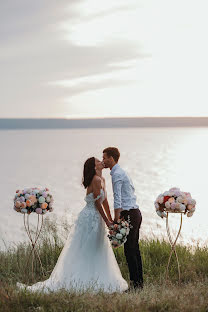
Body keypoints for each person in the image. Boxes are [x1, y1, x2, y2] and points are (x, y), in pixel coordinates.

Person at [17, 157, 128, 293]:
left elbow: (104, 201)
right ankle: (81, 279)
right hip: (90, 217)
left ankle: (96, 276)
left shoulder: (102, 180)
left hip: (96, 217)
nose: (101, 161)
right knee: (87, 248)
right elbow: (98, 204)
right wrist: (107, 222)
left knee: (98, 247)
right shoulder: (96, 180)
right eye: (98, 161)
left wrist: (111, 220)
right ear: (94, 167)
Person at [103, 147, 143, 290]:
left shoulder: (117, 174)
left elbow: (117, 198)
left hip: (130, 214)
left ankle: (136, 285)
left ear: (112, 158)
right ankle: (138, 284)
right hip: (135, 212)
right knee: (134, 248)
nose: (103, 161)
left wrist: (116, 218)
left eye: (105, 158)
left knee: (130, 250)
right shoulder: (120, 172)